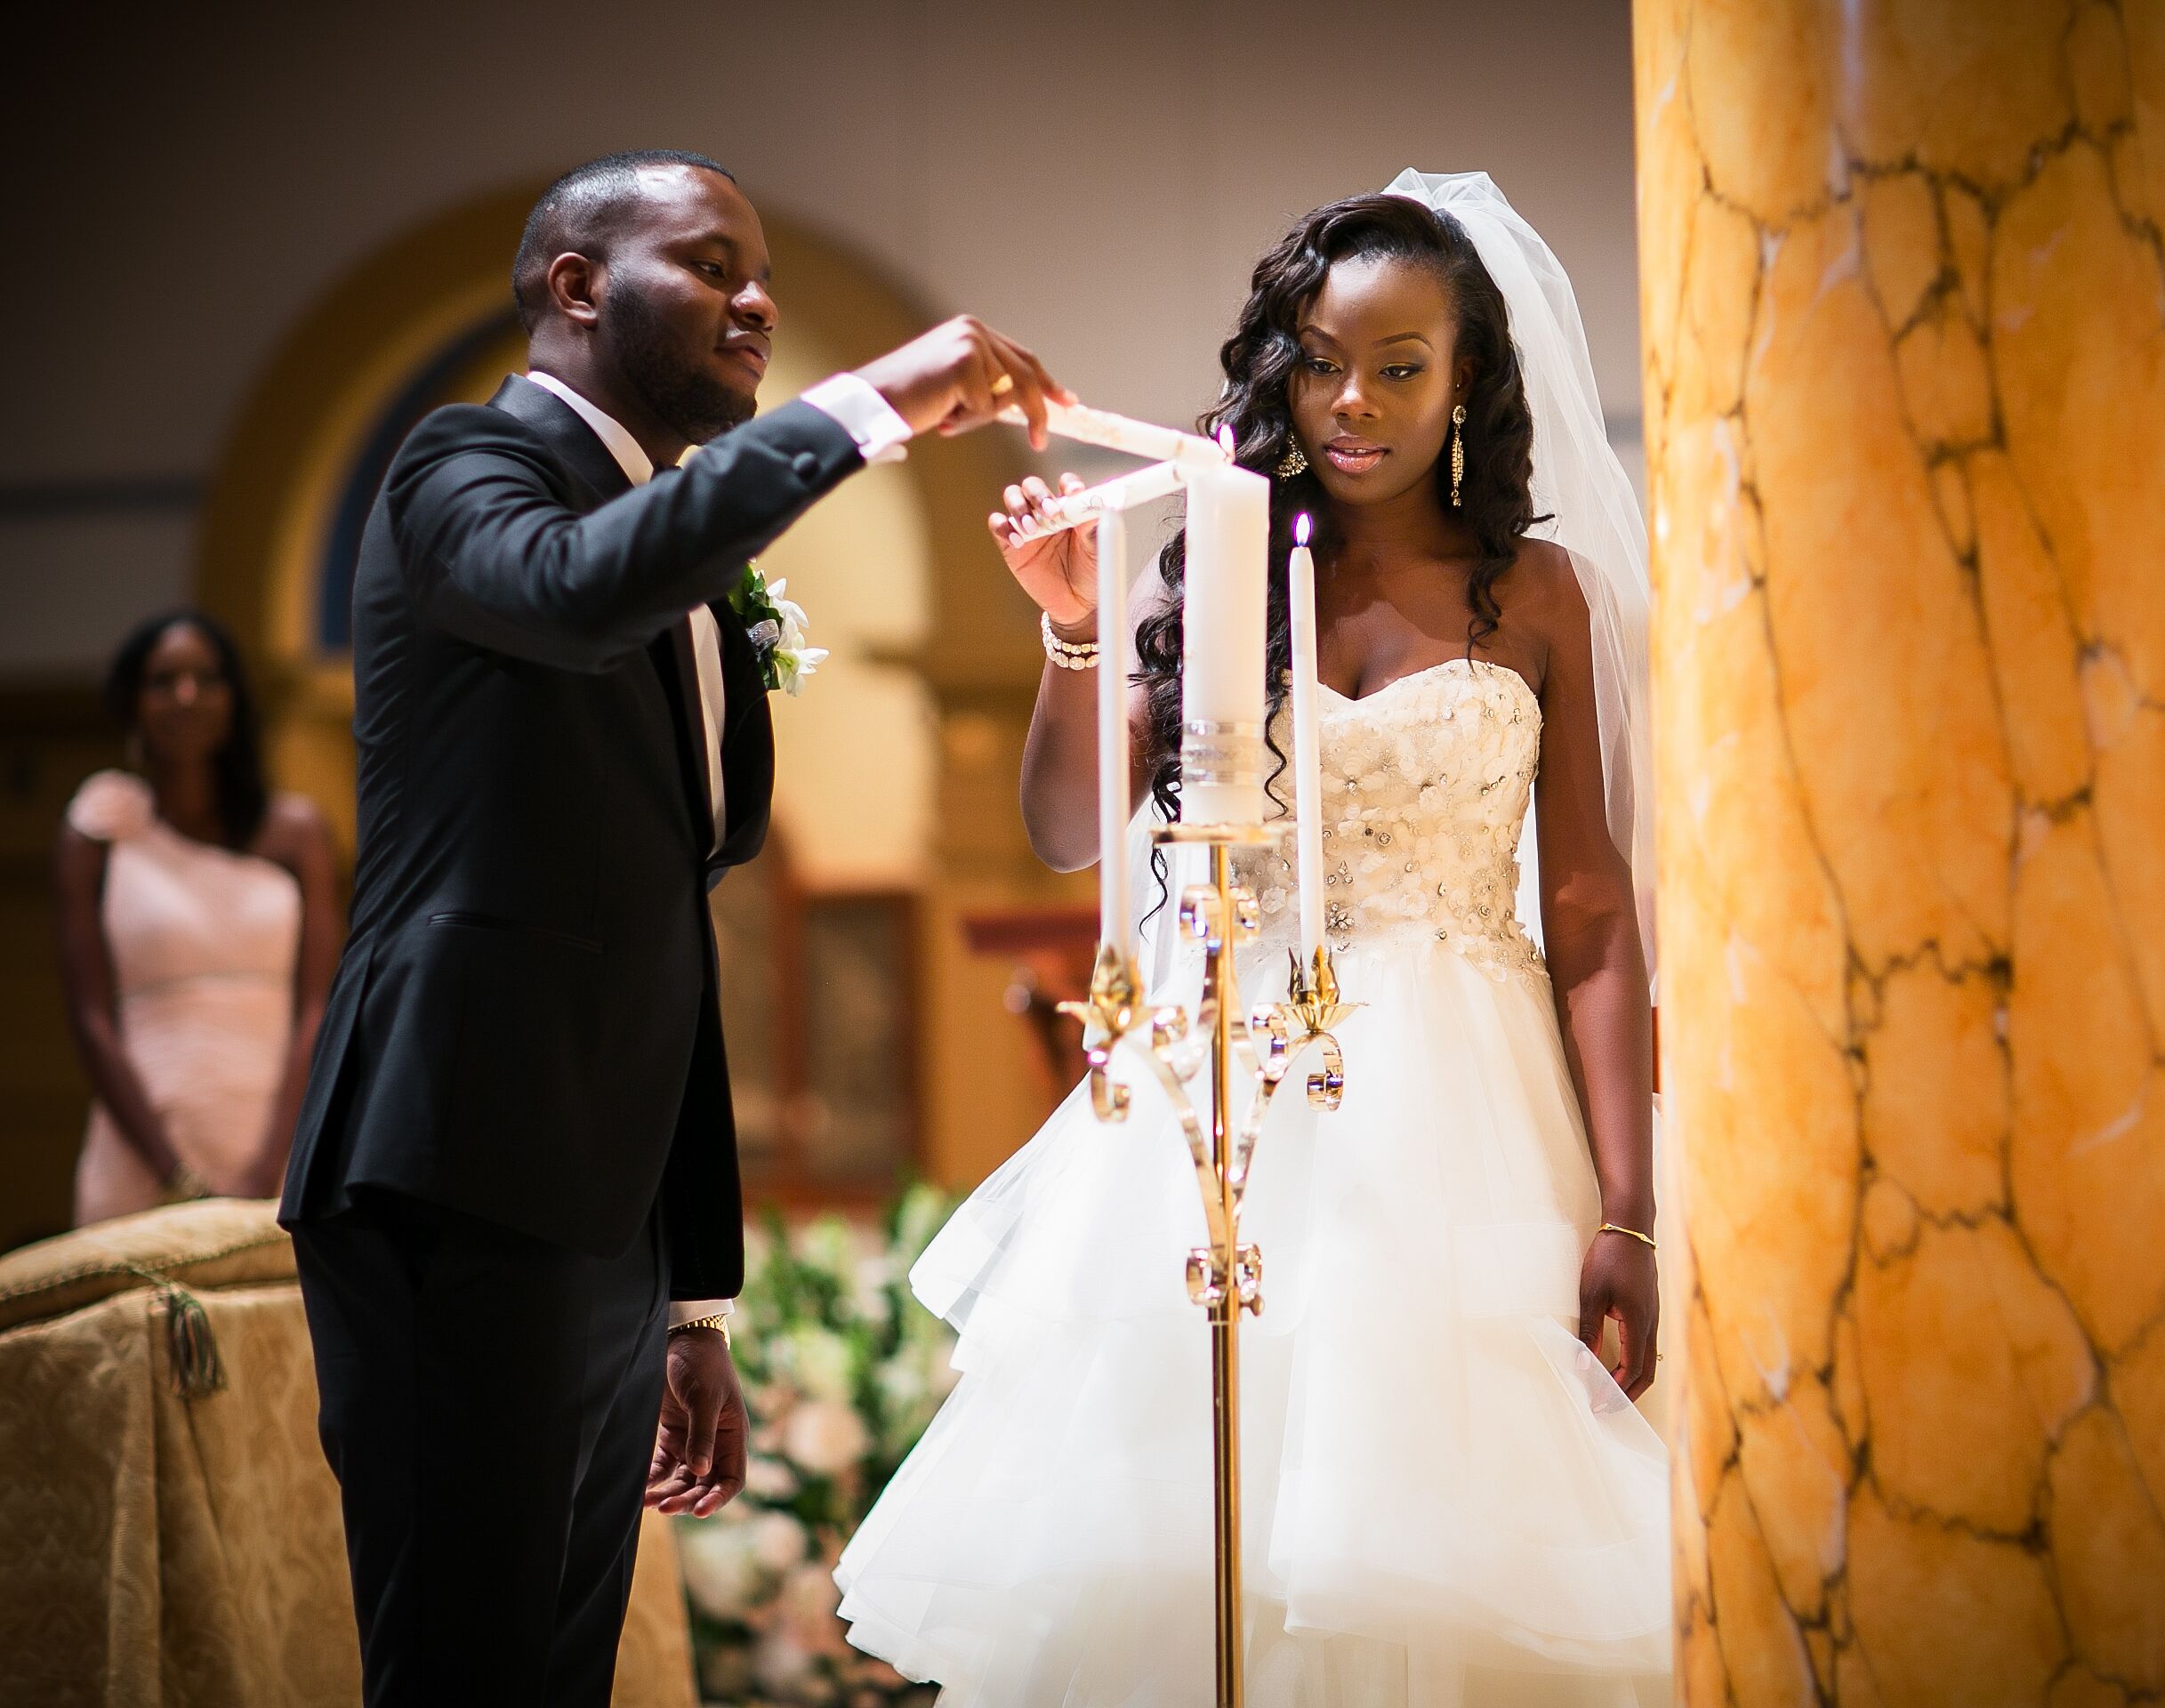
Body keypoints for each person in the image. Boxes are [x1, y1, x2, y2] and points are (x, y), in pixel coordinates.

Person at [835, 173, 1670, 1704]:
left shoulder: (1541, 595)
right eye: (1320, 361)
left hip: (1471, 1112)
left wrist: (1626, 1205)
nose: (1353, 403)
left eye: (1399, 367)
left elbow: (1596, 918)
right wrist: (1073, 629)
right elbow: (1070, 834)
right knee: (1196, 1527)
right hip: (1237, 1090)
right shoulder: (1212, 568)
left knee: (1446, 1540)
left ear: (1467, 376)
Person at [276, 148, 1068, 1705]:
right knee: (464, 1668)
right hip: (457, 1172)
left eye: (758, 268)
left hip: (600, 1217)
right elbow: (571, 591)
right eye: (711, 264)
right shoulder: (459, 467)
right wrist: (867, 408)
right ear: (577, 287)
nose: (755, 297)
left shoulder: (688, 567)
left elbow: (661, 936)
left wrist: (691, 1294)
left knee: (556, 1673)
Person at [53, 611, 340, 1225]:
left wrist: (271, 1164)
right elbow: (90, 1017)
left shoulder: (298, 834)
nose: (186, 696)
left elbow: (319, 1008)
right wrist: (172, 1172)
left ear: (234, 697)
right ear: (134, 702)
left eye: (206, 678)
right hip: (142, 1148)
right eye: (163, 681)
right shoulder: (100, 832)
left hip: (276, 1144)